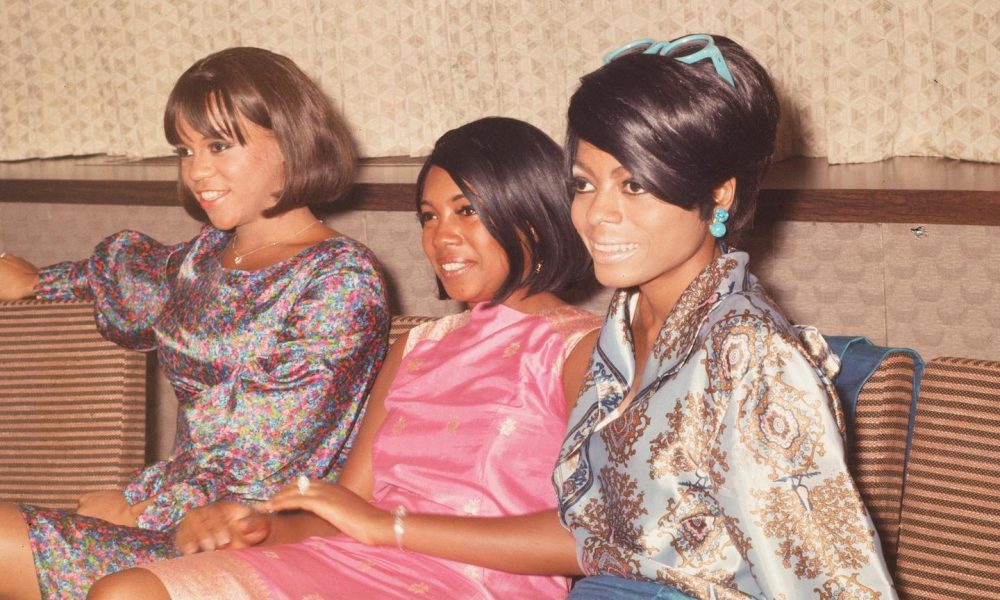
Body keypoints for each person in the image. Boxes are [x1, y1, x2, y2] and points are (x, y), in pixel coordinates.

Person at [87, 116, 601, 600]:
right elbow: (346, 509)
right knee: (126, 591)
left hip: (475, 584)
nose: (441, 236)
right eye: (428, 216)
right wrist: (257, 525)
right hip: (357, 561)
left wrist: (389, 527)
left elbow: (594, 536)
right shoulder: (417, 348)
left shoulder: (583, 349)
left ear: (532, 215)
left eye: (466, 210)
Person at [0, 47, 389, 599]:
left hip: (256, 535)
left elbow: (261, 453)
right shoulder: (206, 256)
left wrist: (137, 510)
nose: (196, 171)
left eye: (220, 146)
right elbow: (132, 279)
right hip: (174, 522)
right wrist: (42, 281)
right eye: (185, 149)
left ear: (291, 142)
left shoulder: (340, 279)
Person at [552, 34, 898, 599]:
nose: (596, 214)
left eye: (634, 184)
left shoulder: (751, 356)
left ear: (719, 195)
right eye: (584, 183)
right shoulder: (626, 316)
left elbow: (827, 579)